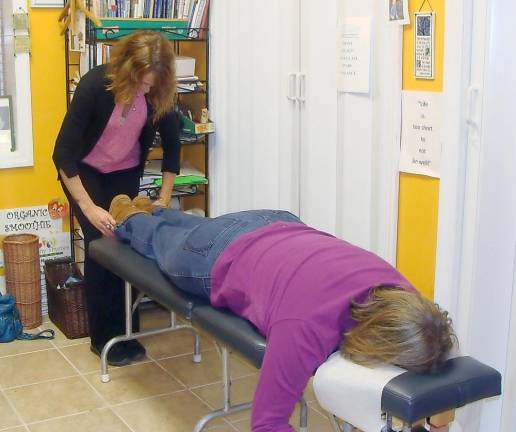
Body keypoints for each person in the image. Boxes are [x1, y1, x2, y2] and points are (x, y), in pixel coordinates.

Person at [109, 194, 456, 432]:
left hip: (277, 222)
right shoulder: (306, 328)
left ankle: (156, 209)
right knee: (158, 242)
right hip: (214, 257)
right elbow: (267, 423)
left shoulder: (402, 295)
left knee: (190, 229)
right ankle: (134, 215)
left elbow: (434, 367)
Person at [52, 30, 181, 366]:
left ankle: (128, 334)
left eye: (152, 84)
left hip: (123, 173)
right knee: (102, 248)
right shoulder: (95, 85)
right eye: (142, 82)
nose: (146, 90)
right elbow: (62, 153)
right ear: (127, 69)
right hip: (85, 174)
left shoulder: (157, 93)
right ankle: (104, 338)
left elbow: (172, 144)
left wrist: (164, 198)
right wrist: (88, 207)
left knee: (130, 247)